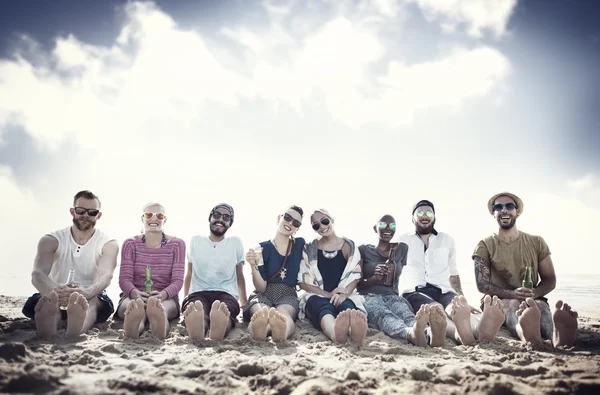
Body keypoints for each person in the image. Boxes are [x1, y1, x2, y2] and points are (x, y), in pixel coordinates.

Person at [473, 192, 578, 346]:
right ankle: (528, 337)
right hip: (498, 301)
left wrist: (535, 292)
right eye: (498, 207)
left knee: (538, 305)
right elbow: (482, 285)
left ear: (518, 211)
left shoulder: (536, 242)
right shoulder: (484, 244)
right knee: (514, 304)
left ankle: (556, 339)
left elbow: (550, 279)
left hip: (532, 297)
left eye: (509, 206)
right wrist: (512, 293)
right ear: (493, 213)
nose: (504, 210)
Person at [398, 200, 505, 346]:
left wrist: (462, 298)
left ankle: (480, 329)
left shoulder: (446, 239)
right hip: (415, 292)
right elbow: (393, 267)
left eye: (429, 212)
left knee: (458, 308)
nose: (425, 216)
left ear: (434, 217)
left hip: (444, 290)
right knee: (437, 312)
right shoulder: (403, 240)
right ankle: (459, 334)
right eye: (420, 213)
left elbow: (453, 273)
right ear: (413, 218)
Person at [23, 190, 119, 338]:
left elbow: (106, 275)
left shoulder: (108, 243)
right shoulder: (51, 240)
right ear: (72, 211)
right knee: (49, 301)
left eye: (92, 212)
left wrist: (87, 291)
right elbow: (37, 274)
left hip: (90, 295)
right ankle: (50, 326)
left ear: (98, 215)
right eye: (81, 210)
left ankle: (76, 331)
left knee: (91, 301)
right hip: (55, 290)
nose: (85, 215)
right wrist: (54, 291)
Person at [358, 214, 444, 347]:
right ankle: (410, 333)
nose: (388, 228)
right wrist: (375, 278)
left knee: (405, 313)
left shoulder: (402, 249)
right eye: (383, 225)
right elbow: (358, 285)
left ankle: (429, 334)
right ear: (375, 228)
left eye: (392, 225)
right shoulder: (364, 250)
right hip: (370, 296)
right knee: (384, 316)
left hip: (392, 295)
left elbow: (414, 272)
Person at [115, 202, 185, 339]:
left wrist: (163, 295)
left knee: (160, 309)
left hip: (166, 296)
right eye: (149, 215)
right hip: (132, 295)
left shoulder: (177, 244)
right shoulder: (130, 244)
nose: (154, 219)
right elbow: (124, 279)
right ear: (142, 219)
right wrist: (136, 294)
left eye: (159, 215)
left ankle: (158, 329)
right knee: (135, 308)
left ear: (165, 220)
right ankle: (133, 329)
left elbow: (177, 281)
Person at [299, 209, 368, 346]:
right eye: (316, 225)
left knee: (347, 306)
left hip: (343, 294)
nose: (322, 226)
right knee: (321, 308)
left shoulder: (349, 246)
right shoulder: (309, 248)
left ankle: (353, 332)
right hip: (318, 294)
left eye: (325, 221)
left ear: (332, 220)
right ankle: (335, 334)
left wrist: (344, 294)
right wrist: (327, 294)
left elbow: (354, 275)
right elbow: (303, 282)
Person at [181, 203, 247, 341]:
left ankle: (220, 326)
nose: (220, 220)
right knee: (197, 309)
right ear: (210, 217)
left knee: (225, 311)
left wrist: (244, 305)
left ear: (230, 223)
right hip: (198, 292)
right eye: (217, 215)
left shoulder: (235, 242)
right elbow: (189, 273)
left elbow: (240, 276)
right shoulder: (196, 241)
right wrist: (185, 298)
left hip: (226, 293)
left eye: (226, 217)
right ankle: (199, 326)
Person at [244, 205, 305, 342]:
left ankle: (282, 331)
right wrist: (253, 265)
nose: (290, 223)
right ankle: (259, 331)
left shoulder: (300, 245)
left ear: (297, 229)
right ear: (279, 218)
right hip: (264, 292)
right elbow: (261, 288)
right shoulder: (261, 248)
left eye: (296, 222)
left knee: (284, 314)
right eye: (287, 217)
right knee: (261, 312)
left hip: (287, 293)